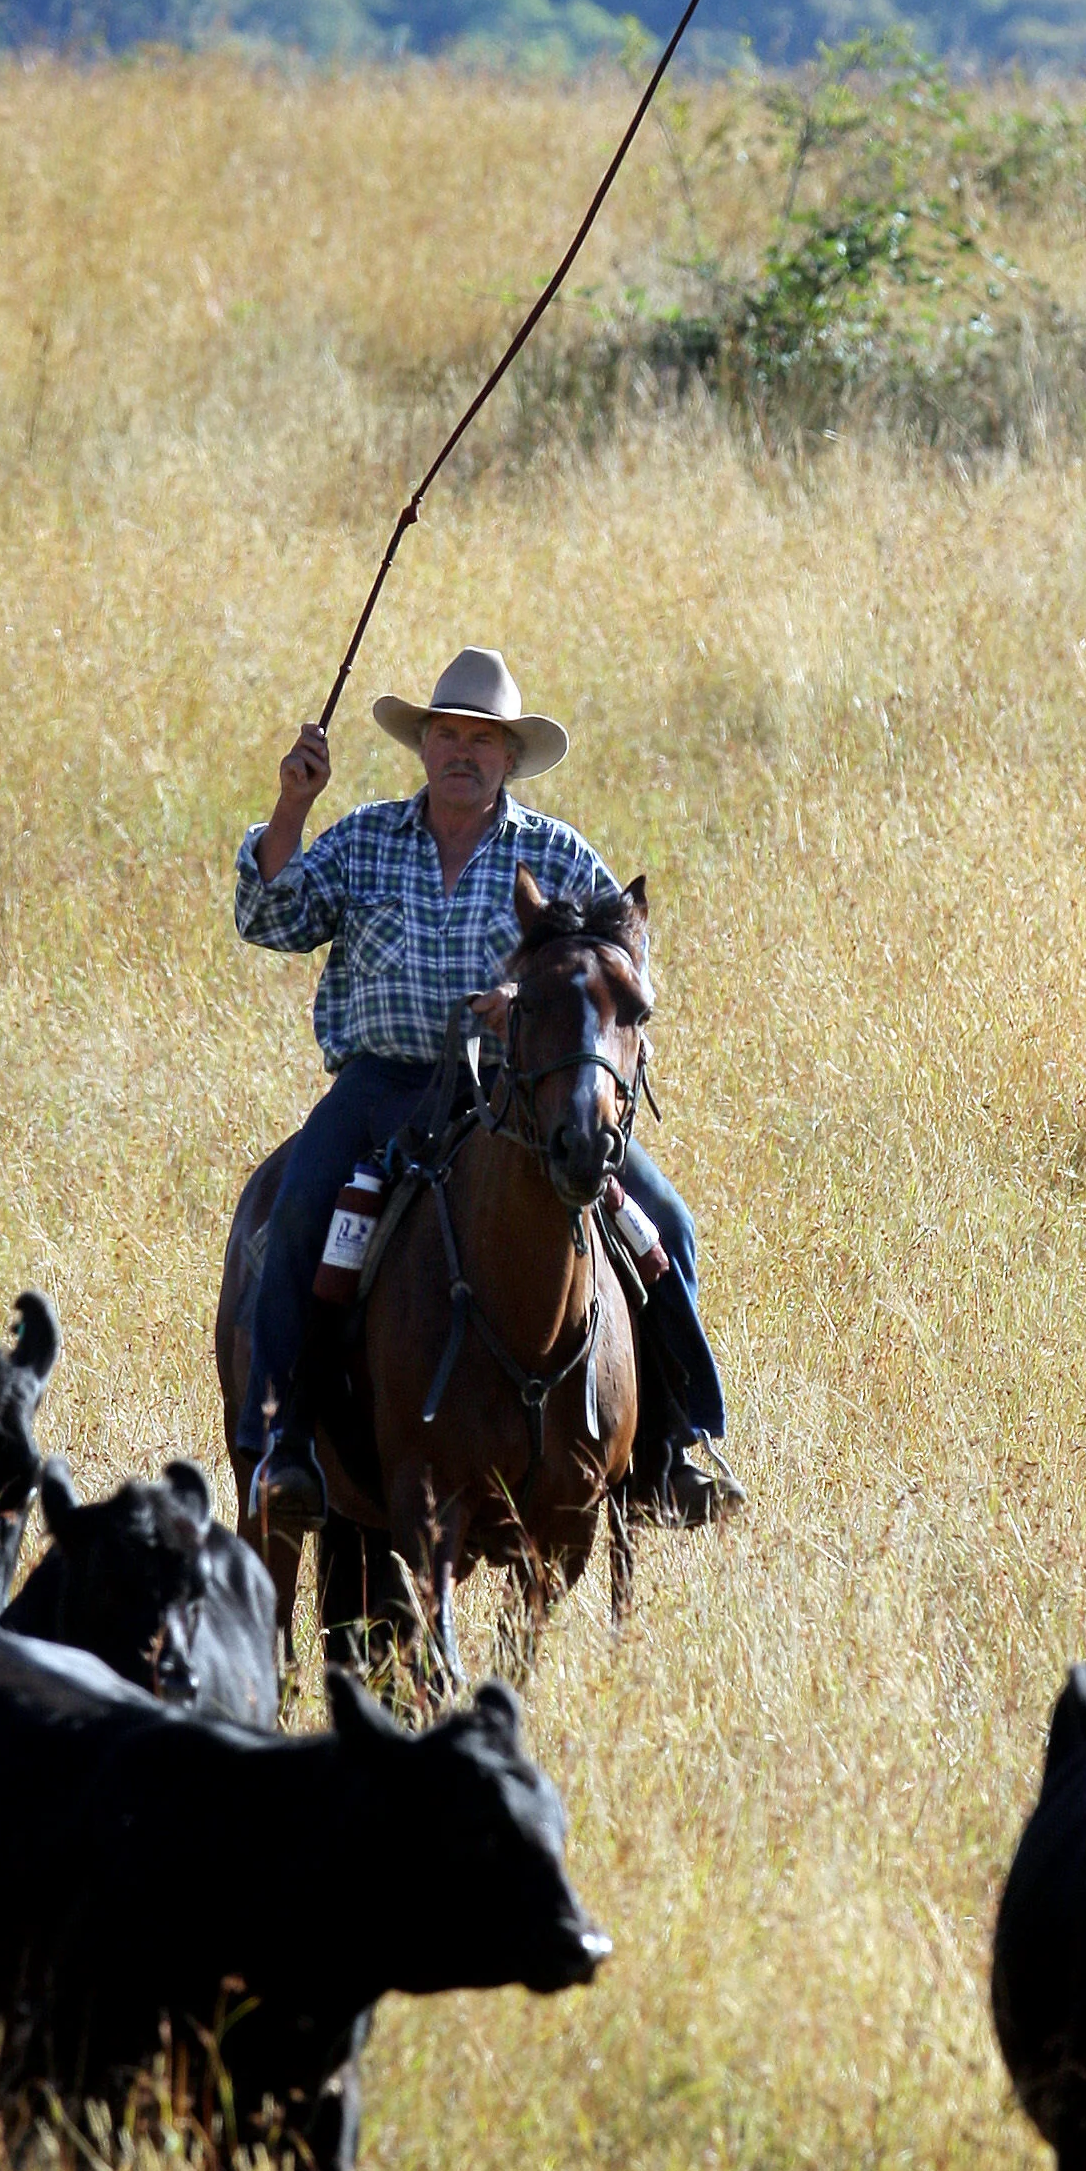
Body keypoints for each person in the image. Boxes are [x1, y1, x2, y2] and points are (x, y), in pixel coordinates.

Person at [233, 644, 740, 1531]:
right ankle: (283, 1448)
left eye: (482, 739)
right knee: (299, 1212)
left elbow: (625, 969)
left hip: (520, 1095)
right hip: (382, 1085)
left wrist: (532, 998)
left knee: (667, 1223)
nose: (462, 752)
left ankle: (670, 1451)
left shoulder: (559, 855)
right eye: (447, 735)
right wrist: (292, 806)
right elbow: (268, 917)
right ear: (424, 745)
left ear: (509, 756)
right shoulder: (364, 839)